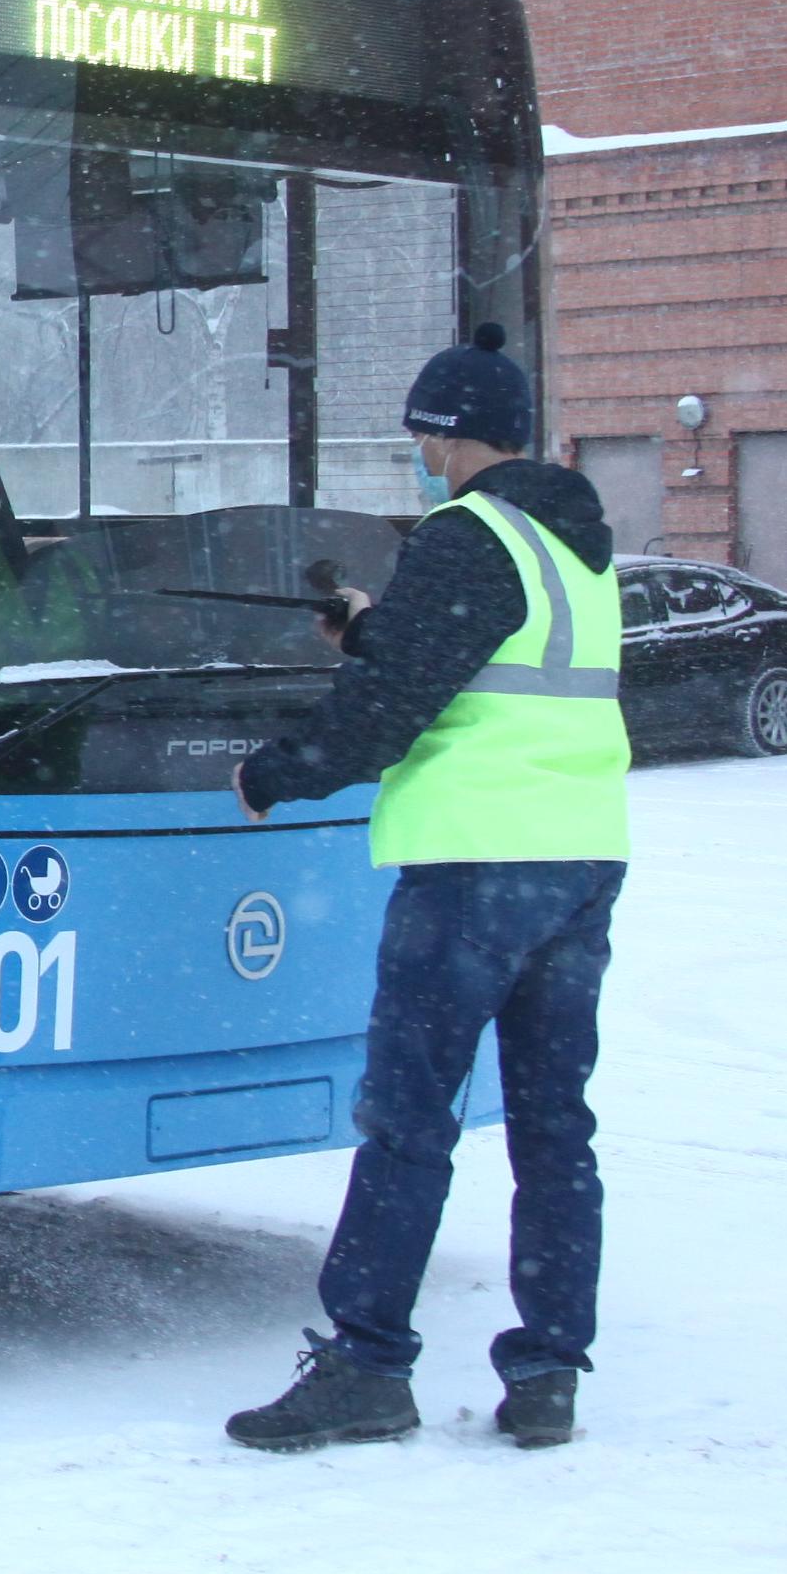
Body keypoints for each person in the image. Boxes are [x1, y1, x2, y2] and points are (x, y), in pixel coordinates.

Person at [224, 324, 628, 1453]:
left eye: (420, 438)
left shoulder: (465, 530)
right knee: (555, 1125)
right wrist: (372, 630)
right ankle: (549, 1368)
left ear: (445, 439)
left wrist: (279, 773)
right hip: (580, 860)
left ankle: (365, 1363)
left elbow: (399, 704)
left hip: (473, 863)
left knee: (407, 1119)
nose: (419, 456)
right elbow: (478, 665)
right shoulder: (577, 545)